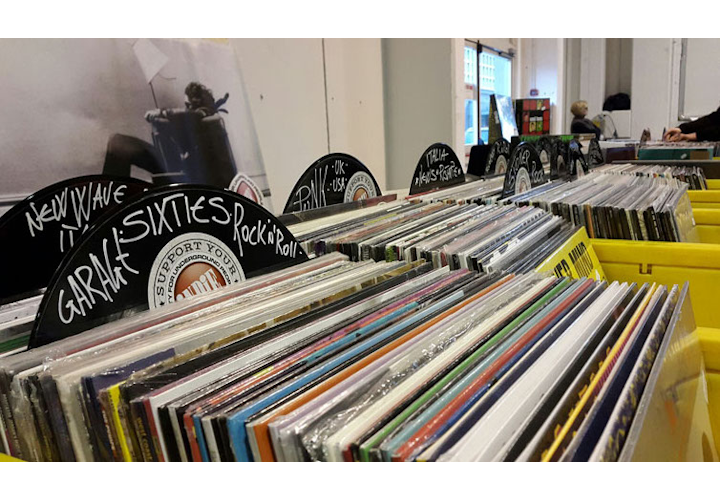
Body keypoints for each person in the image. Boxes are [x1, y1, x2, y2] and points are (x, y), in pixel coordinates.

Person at [103, 82, 231, 183]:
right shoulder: (199, 118)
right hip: (178, 166)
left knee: (118, 143)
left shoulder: (205, 115)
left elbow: (194, 115)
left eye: (188, 105)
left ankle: (109, 195)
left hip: (182, 173)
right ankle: (109, 192)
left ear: (196, 102)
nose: (186, 108)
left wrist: (162, 112)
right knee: (117, 141)